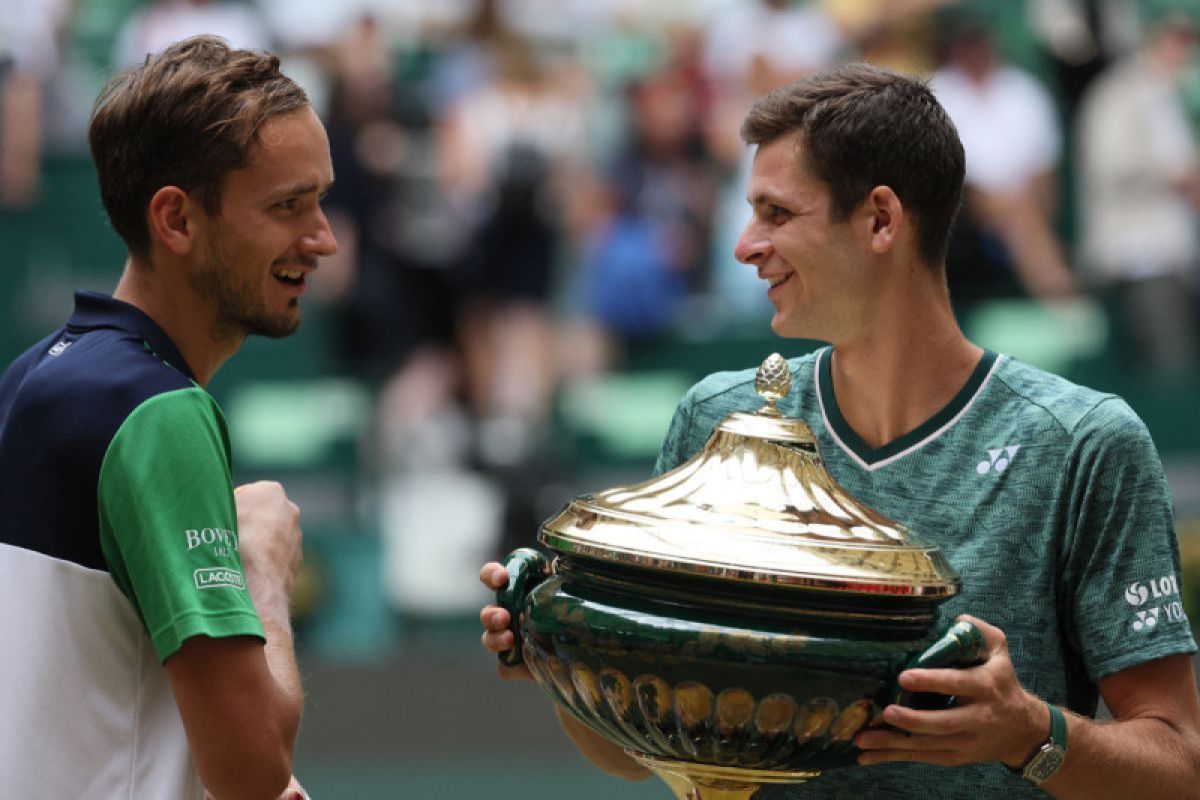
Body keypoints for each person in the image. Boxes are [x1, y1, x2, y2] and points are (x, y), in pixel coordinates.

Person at [479, 63, 1200, 797]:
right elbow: (641, 749)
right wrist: (558, 659)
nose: (745, 245)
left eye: (777, 213)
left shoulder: (1083, 445)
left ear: (881, 220)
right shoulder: (715, 420)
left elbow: (1179, 768)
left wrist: (1031, 734)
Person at [0, 36, 336, 799]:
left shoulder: (32, 376)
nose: (324, 238)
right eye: (288, 206)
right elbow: (251, 771)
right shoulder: (159, 412)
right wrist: (261, 567)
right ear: (176, 220)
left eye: (320, 199)